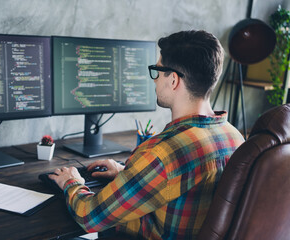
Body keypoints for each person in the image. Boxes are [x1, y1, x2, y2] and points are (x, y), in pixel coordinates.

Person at [49, 30, 244, 239]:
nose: (155, 81)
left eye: (157, 71)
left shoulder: (162, 153)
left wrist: (71, 181)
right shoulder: (235, 137)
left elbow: (89, 216)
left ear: (174, 80)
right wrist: (129, 173)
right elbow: (180, 185)